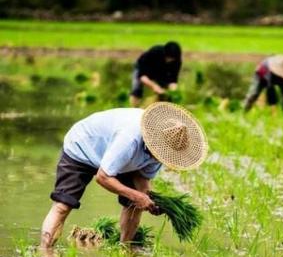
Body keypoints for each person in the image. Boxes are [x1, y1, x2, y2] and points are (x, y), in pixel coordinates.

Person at [40, 102, 208, 248]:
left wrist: (148, 200)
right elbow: (103, 177)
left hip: (118, 159)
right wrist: (136, 195)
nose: (161, 158)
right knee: (63, 206)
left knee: (135, 205)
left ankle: (125, 249)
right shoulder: (130, 138)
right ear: (153, 141)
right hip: (83, 146)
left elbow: (143, 179)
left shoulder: (164, 150)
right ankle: (45, 253)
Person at [130, 41, 182, 107]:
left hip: (161, 71)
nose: (169, 61)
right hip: (144, 68)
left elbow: (173, 80)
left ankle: (158, 112)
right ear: (165, 54)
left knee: (165, 96)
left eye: (172, 59)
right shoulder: (154, 52)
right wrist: (154, 86)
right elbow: (142, 77)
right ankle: (133, 108)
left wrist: (172, 92)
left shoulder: (177, 61)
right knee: (136, 90)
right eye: (168, 58)